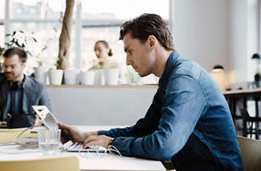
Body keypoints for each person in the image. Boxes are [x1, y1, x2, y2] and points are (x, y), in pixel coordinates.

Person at [58, 13, 243, 170]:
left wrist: (111, 143)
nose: (127, 61)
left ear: (151, 42)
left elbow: (164, 146)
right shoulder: (170, 79)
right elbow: (142, 130)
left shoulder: (185, 79)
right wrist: (89, 136)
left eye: (130, 51)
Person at [0, 47, 51, 128]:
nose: (7, 70)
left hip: (29, 134)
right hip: (4, 134)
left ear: (23, 66)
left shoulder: (38, 87)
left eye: (12, 66)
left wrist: (39, 122)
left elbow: (48, 121)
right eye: (5, 66)